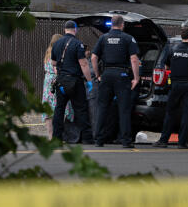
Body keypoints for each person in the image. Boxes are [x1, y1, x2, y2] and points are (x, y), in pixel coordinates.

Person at [153, 28, 188, 149]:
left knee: (170, 113)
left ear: (181, 36)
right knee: (186, 114)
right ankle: (182, 142)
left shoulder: (173, 50)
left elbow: (167, 67)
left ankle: (163, 141)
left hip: (175, 84)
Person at [92, 15, 140, 148]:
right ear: (122, 24)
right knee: (124, 109)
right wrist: (136, 78)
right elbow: (134, 59)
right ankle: (125, 141)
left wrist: (98, 75)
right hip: (122, 74)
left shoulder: (103, 38)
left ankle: (99, 140)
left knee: (102, 107)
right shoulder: (128, 38)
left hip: (106, 74)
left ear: (111, 24)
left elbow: (94, 57)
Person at [51, 20, 94, 143]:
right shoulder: (77, 44)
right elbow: (84, 64)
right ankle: (87, 138)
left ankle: (56, 137)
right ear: (75, 29)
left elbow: (53, 63)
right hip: (75, 81)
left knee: (59, 109)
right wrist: (89, 80)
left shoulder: (57, 44)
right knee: (80, 109)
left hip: (61, 81)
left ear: (64, 29)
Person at [41, 34, 74, 139]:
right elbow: (56, 70)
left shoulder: (47, 52)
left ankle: (50, 135)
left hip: (47, 83)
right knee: (60, 107)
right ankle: (58, 134)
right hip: (55, 82)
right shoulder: (57, 52)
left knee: (48, 110)